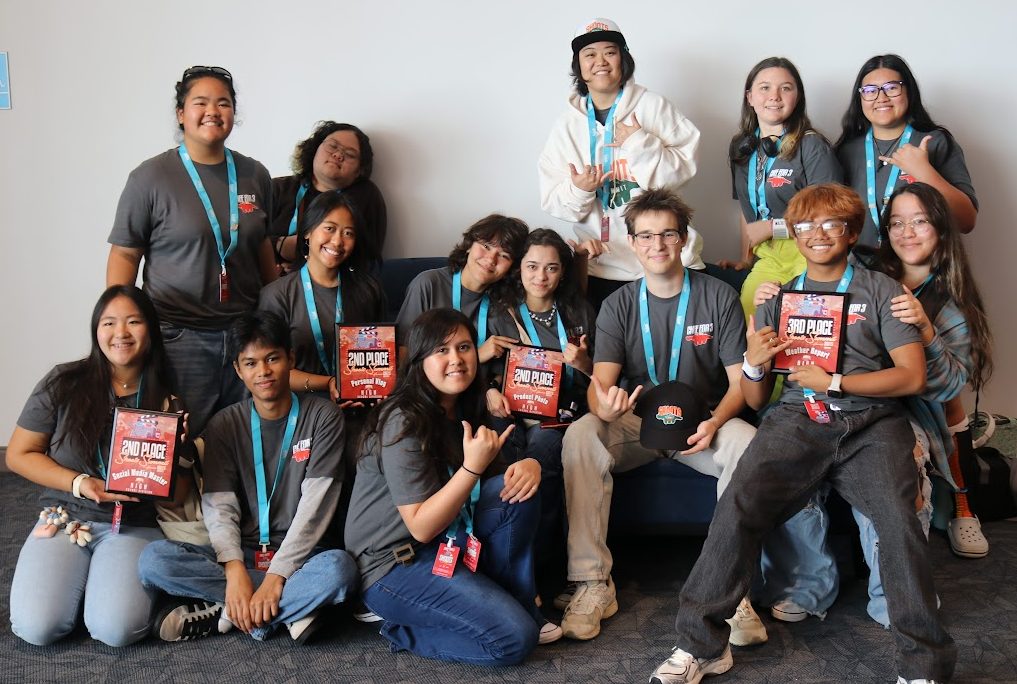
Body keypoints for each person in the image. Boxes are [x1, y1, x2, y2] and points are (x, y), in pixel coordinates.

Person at [650, 184, 954, 684]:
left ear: (852, 233)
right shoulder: (777, 298)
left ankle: (924, 668)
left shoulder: (882, 290)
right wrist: (753, 362)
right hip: (797, 418)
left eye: (831, 224)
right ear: (793, 234)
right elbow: (754, 398)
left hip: (871, 422)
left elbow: (912, 377)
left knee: (898, 521)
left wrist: (836, 381)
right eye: (806, 225)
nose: (818, 234)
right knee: (739, 503)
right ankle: (700, 646)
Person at [752, 182, 994, 627]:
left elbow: (945, 386)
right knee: (790, 470)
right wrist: (774, 296)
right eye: (898, 222)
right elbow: (808, 284)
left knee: (900, 470)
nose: (908, 232)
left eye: (920, 221)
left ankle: (899, 593)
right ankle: (807, 584)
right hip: (829, 401)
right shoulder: (859, 269)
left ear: (941, 230)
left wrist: (924, 331)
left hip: (902, 412)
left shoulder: (948, 304)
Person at [558, 188, 763, 644]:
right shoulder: (619, 304)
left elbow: (739, 387)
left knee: (746, 440)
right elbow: (602, 385)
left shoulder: (718, 296)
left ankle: (730, 593)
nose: (657, 245)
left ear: (684, 238)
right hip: (636, 422)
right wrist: (602, 404)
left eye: (668, 234)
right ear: (631, 242)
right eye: (646, 236)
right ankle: (592, 584)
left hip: (701, 426)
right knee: (582, 433)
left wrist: (714, 422)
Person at [344, 307, 553, 664]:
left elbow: (497, 480)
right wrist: (472, 467)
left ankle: (513, 599)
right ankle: (401, 628)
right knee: (514, 639)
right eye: (441, 350)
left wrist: (531, 464)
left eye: (464, 347)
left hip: (448, 541)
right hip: (393, 564)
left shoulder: (462, 407)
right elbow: (422, 526)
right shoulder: (403, 419)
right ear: (420, 361)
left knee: (516, 492)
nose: (456, 359)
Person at [138, 311, 356, 643]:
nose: (264, 371)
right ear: (238, 370)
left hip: (304, 556)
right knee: (153, 560)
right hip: (243, 551)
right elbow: (220, 506)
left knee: (340, 570)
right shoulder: (224, 425)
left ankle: (229, 613)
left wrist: (278, 575)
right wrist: (234, 567)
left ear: (290, 359)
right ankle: (286, 612)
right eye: (251, 363)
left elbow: (316, 507)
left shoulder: (322, 416)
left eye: (273, 359)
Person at [7, 285, 192, 647]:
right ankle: (80, 590)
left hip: (133, 525)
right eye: (109, 323)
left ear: (151, 331)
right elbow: (18, 455)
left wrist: (177, 455)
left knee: (116, 630)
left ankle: (103, 593)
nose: (120, 333)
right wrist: (82, 483)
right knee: (36, 627)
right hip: (66, 516)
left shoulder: (168, 400)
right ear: (96, 330)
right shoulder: (64, 382)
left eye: (133, 322)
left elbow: (178, 497)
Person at [107, 65, 277, 437]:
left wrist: (273, 318)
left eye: (224, 103)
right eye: (200, 102)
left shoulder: (255, 174)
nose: (213, 111)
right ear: (181, 114)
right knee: (180, 436)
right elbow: (125, 255)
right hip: (177, 334)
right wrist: (119, 322)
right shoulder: (150, 178)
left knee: (246, 436)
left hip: (243, 335)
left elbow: (263, 248)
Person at [539, 17, 703, 310]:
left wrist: (640, 143)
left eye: (610, 52)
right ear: (579, 67)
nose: (600, 61)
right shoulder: (566, 125)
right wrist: (579, 190)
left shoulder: (652, 106)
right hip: (599, 265)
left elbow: (684, 170)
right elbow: (551, 200)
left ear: (623, 59)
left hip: (661, 258)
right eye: (589, 54)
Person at [487, 228, 596, 587]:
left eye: (551, 268)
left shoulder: (578, 309)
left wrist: (582, 363)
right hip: (513, 413)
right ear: (519, 267)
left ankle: (543, 572)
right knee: (505, 453)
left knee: (540, 456)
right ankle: (508, 567)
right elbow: (487, 372)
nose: (540, 277)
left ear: (563, 271)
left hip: (563, 417)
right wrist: (491, 391)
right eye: (532, 266)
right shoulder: (500, 313)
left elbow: (602, 376)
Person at [723, 57, 841, 318]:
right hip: (770, 258)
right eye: (765, 87)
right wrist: (747, 259)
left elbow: (832, 218)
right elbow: (747, 211)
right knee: (748, 321)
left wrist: (771, 227)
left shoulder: (812, 147)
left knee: (798, 328)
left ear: (797, 97)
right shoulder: (741, 147)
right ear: (750, 97)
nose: (774, 96)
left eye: (786, 88)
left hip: (812, 254)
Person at [836, 54, 977, 250]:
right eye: (870, 91)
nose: (881, 98)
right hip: (863, 274)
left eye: (892, 88)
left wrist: (924, 172)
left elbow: (966, 222)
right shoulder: (846, 151)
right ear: (860, 97)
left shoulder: (934, 142)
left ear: (908, 91)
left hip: (920, 272)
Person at [259, 191, 386, 400]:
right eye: (330, 229)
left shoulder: (368, 290)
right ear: (308, 232)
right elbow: (267, 372)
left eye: (348, 233)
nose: (337, 241)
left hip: (358, 401)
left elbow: (382, 358)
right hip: (299, 407)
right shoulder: (276, 296)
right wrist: (328, 383)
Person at [395, 214, 527, 365]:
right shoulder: (428, 284)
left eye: (504, 255)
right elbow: (403, 355)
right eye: (486, 246)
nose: (491, 259)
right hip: (429, 386)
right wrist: (475, 357)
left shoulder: (504, 302)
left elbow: (508, 367)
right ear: (469, 245)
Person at [271, 121, 386, 272]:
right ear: (315, 149)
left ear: (359, 170)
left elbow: (366, 258)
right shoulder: (278, 188)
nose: (338, 155)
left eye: (350, 154)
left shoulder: (367, 197)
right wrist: (281, 245)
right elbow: (247, 238)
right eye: (332, 146)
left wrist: (300, 265)